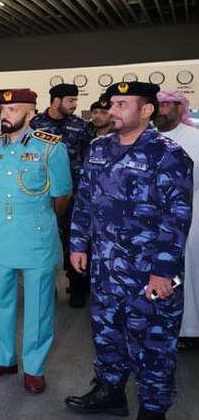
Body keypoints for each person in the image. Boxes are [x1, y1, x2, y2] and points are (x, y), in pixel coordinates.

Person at [66, 81, 192, 420]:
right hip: (106, 267)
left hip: (147, 271)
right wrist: (78, 243)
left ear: (147, 110)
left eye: (123, 104)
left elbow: (176, 218)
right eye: (112, 104)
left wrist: (163, 271)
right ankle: (110, 391)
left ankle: (153, 407)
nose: (113, 111)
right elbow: (84, 201)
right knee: (106, 331)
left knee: (152, 341)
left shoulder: (167, 154)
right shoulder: (98, 148)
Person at [0, 88, 71, 395]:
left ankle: (34, 367)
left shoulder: (50, 148)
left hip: (36, 235)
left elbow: (62, 195)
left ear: (30, 114)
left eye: (13, 110)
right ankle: (2, 359)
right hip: (1, 233)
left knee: (38, 306)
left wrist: (41, 219)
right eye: (3, 109)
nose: (5, 115)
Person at [30, 83, 95, 308]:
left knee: (74, 242)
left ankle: (77, 289)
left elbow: (89, 160)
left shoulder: (82, 126)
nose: (75, 105)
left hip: (73, 195)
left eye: (76, 100)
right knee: (41, 244)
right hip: (40, 195)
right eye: (71, 100)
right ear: (56, 100)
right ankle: (47, 290)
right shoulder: (35, 124)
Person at [154, 90, 199, 352]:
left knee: (191, 269)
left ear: (180, 108)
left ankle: (191, 329)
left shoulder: (195, 137)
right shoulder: (149, 138)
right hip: (155, 218)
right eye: (157, 105)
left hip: (194, 211)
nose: (160, 109)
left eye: (166, 105)